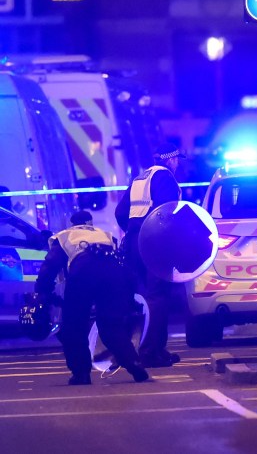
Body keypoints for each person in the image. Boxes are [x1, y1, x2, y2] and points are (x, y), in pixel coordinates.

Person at [36, 211, 149, 385]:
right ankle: (135, 364)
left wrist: (42, 291)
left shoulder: (66, 236)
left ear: (72, 224)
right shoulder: (105, 235)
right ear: (90, 222)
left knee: (74, 326)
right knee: (111, 326)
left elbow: (49, 267)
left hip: (83, 272)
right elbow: (123, 261)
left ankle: (81, 374)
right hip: (115, 274)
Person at [115, 142, 183, 367]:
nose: (178, 163)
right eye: (177, 159)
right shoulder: (166, 178)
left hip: (135, 242)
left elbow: (120, 212)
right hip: (155, 242)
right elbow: (168, 212)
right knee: (159, 296)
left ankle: (139, 349)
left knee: (142, 297)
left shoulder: (139, 178)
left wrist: (133, 231)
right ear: (170, 159)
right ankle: (150, 351)